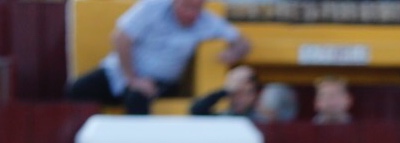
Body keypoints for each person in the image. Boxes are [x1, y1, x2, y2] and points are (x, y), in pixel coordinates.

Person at [65, 0, 250, 116]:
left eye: (197, 7)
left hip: (158, 83)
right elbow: (120, 38)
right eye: (187, 6)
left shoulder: (207, 22)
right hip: (120, 74)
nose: (192, 13)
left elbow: (243, 43)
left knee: (137, 100)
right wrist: (132, 78)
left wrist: (234, 53)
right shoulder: (152, 7)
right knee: (76, 90)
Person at [189, 64, 258, 116]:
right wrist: (224, 91)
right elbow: (197, 110)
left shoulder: (262, 116)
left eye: (245, 93)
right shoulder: (226, 117)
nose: (239, 99)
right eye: (234, 94)